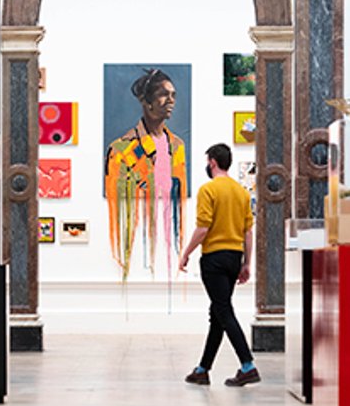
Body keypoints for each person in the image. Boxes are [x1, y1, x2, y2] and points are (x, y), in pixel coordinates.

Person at [177, 143, 259, 387]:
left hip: (214, 258)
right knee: (218, 313)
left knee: (223, 311)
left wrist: (186, 253)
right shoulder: (241, 192)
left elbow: (203, 228)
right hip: (234, 258)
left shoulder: (208, 190)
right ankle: (203, 369)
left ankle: (248, 365)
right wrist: (247, 263)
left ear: (212, 162)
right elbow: (248, 232)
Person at [104, 68, 187, 280]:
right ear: (146, 101)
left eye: (173, 95)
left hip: (171, 237)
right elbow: (117, 204)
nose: (171, 100)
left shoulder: (177, 146)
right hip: (137, 240)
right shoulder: (122, 149)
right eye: (164, 94)